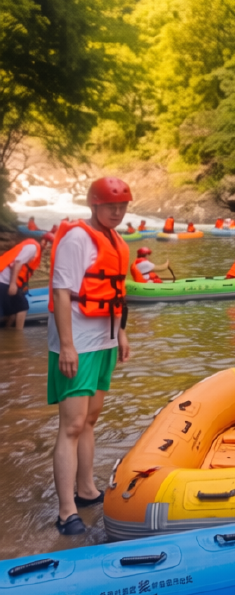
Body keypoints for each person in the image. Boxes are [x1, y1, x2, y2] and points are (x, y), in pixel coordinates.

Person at [47, 177, 132, 535]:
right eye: (110, 206)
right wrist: (67, 345)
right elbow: (62, 292)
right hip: (77, 342)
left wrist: (122, 333)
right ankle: (66, 511)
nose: (117, 212)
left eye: (122, 206)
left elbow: (117, 293)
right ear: (94, 205)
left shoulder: (117, 241)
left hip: (105, 339)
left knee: (91, 420)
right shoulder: (77, 238)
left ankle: (86, 490)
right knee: (72, 425)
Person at [0, 231, 54, 329]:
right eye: (48, 242)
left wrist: (21, 285)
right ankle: (18, 334)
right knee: (23, 307)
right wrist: (13, 284)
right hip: (5, 280)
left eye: (51, 244)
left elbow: (24, 270)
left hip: (6, 280)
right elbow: (17, 264)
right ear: (42, 241)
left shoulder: (34, 248)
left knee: (12, 314)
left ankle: (7, 333)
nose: (49, 246)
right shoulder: (32, 248)